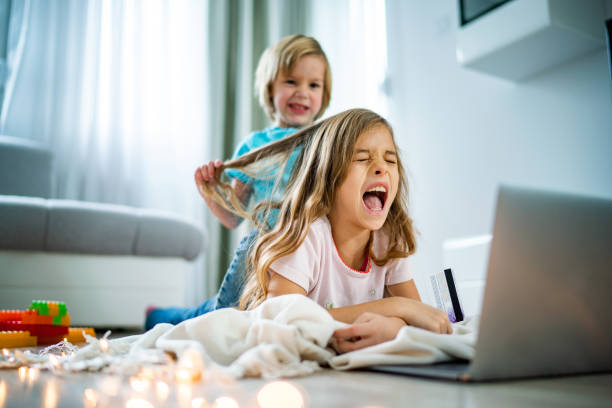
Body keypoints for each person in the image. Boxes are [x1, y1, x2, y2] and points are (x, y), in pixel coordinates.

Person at [201, 108, 452, 353]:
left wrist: (395, 326)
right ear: (328, 177)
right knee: (196, 318)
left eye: (390, 160)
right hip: (229, 311)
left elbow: (420, 316)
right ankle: (160, 312)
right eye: (363, 159)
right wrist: (395, 307)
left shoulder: (389, 240)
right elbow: (281, 322)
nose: (381, 168)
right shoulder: (307, 237)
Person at [145, 34, 332, 330]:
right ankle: (159, 316)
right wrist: (210, 192)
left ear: (324, 93)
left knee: (284, 319)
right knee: (220, 317)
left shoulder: (327, 142)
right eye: (291, 82)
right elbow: (232, 216)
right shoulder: (254, 146)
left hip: (307, 250)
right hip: (261, 251)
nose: (303, 93)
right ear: (270, 90)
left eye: (314, 85)